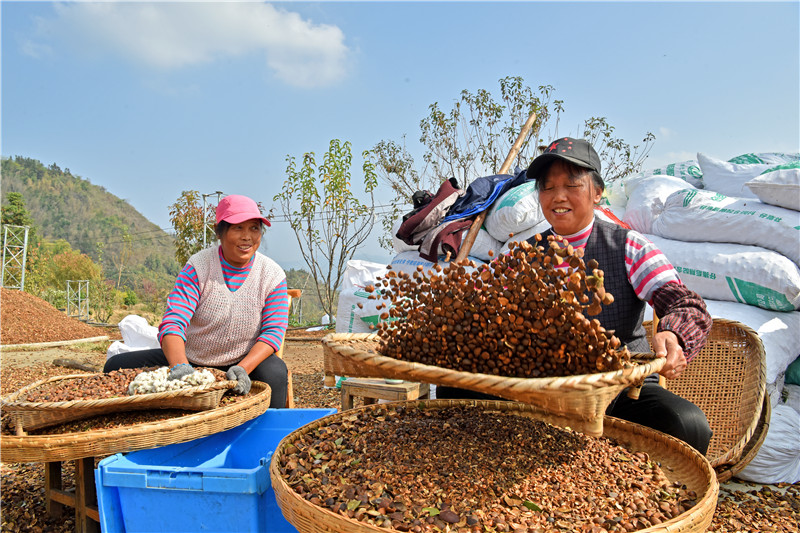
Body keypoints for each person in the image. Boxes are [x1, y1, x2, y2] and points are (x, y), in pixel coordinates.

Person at [438, 137, 713, 455]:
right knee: (453, 390)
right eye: (548, 187)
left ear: (597, 192)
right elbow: (481, 304)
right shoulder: (523, 254)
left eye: (572, 185)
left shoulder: (627, 246)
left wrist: (675, 333)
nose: (559, 197)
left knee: (685, 424)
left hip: (617, 386)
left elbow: (683, 302)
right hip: (541, 386)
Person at [104, 194, 290, 408]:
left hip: (242, 361)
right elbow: (173, 323)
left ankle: (269, 434)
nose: (247, 237)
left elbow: (273, 332)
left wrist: (243, 369)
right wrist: (181, 369)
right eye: (238, 228)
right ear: (219, 231)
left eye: (254, 228)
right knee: (115, 366)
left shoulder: (272, 275)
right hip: (192, 360)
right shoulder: (198, 267)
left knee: (275, 372)